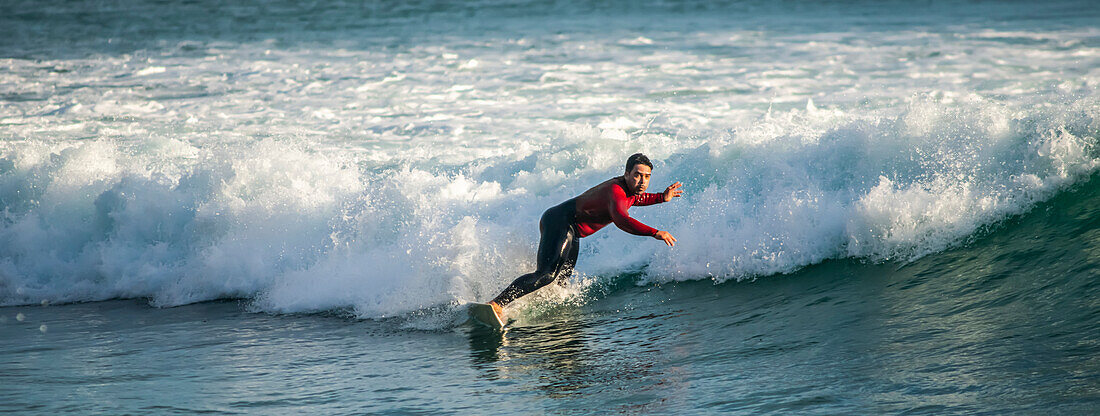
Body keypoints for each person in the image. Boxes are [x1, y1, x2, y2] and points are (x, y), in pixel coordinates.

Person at [486, 153, 683, 321]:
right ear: (626, 174)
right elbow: (622, 219)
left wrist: (661, 197)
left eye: (647, 177)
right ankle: (496, 303)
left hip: (573, 230)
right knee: (546, 274)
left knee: (561, 281)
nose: (642, 181)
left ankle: (526, 308)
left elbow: (636, 198)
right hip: (559, 222)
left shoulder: (628, 191)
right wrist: (655, 232)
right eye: (637, 175)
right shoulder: (616, 191)